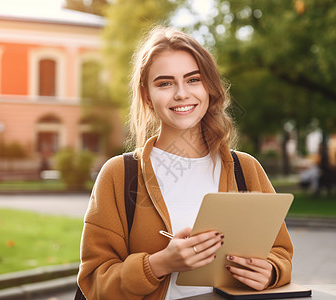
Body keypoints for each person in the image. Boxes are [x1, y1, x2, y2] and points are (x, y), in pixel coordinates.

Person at [77, 26, 293, 300]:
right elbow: (94, 282)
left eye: (193, 79)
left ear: (210, 88)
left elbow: (280, 252)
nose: (181, 93)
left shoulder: (245, 168)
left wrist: (271, 271)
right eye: (165, 83)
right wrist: (159, 264)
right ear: (147, 96)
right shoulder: (119, 174)